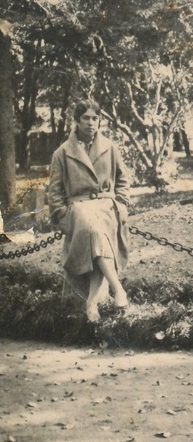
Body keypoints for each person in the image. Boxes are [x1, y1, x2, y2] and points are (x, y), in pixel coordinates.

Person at [48, 99, 130, 323]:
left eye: (95, 118)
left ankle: (91, 304)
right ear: (76, 120)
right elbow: (54, 192)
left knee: (96, 236)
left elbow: (123, 179)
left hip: (105, 205)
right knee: (93, 230)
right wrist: (62, 217)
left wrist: (121, 204)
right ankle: (118, 289)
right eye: (86, 118)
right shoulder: (62, 153)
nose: (91, 123)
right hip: (78, 206)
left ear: (100, 120)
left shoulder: (110, 148)